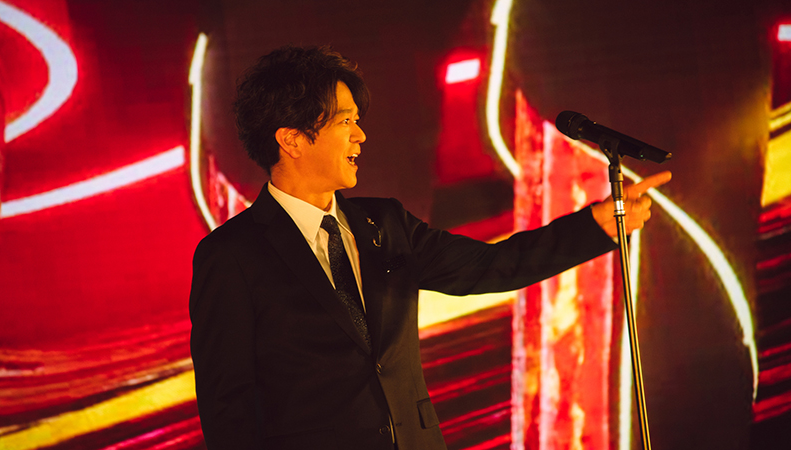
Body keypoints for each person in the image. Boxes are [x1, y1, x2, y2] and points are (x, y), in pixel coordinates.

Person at [188, 45, 671, 450]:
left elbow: (494, 265)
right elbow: (227, 409)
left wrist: (595, 228)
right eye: (344, 121)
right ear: (292, 140)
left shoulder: (385, 223)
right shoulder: (231, 255)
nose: (360, 135)